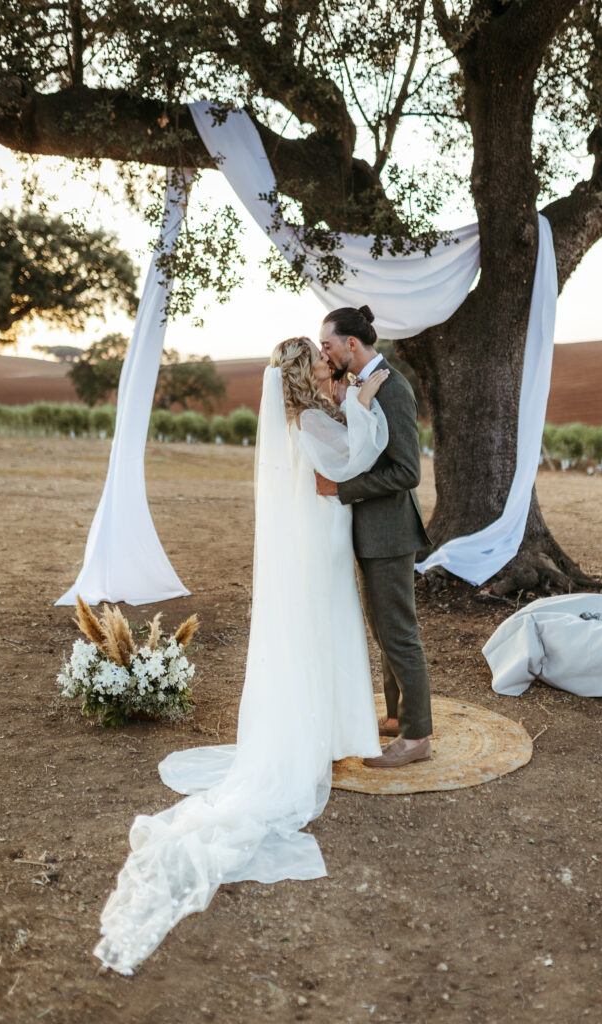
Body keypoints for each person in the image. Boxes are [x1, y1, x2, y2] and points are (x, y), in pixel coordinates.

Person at [94, 337, 389, 975]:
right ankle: (323, 734)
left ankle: (332, 729)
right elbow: (355, 459)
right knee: (325, 633)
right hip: (324, 543)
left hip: (322, 537)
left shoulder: (302, 415)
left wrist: (347, 402)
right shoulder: (309, 417)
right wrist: (364, 402)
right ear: (299, 373)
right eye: (315, 357)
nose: (324, 361)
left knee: (327, 635)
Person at [317, 305, 433, 768]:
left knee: (399, 634)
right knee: (383, 631)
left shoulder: (394, 388)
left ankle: (417, 737)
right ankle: (396, 716)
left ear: (351, 344)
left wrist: (341, 489)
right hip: (369, 533)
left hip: (390, 533)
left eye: (327, 344)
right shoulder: (363, 387)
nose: (323, 353)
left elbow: (407, 471)